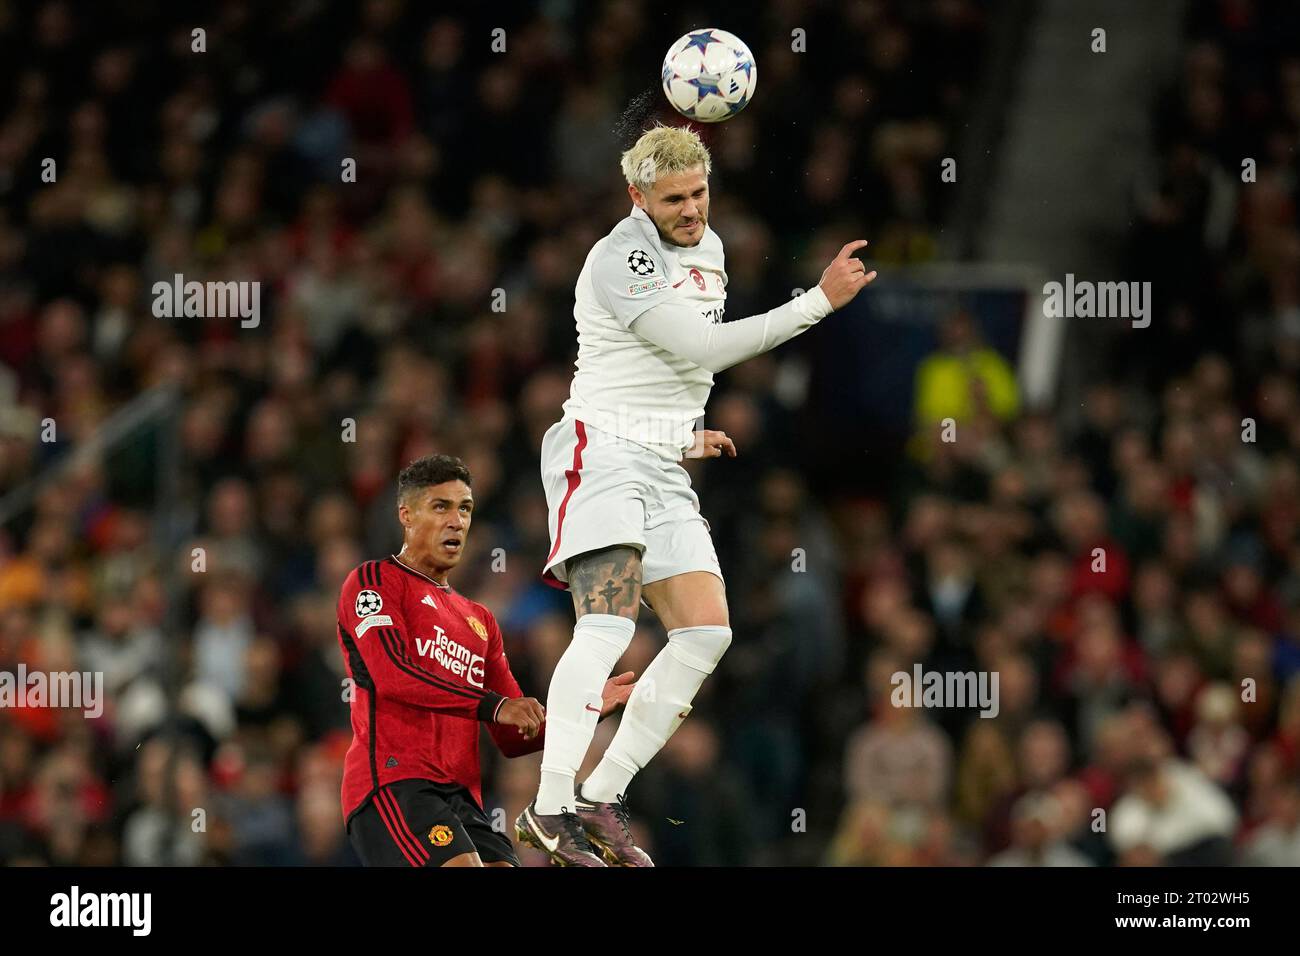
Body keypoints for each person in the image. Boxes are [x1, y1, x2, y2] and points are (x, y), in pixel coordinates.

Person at [517, 123, 876, 866]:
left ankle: (598, 796)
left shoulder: (708, 251)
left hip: (658, 457)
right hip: (602, 452)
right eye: (673, 197)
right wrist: (818, 302)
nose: (690, 209)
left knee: (707, 633)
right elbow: (703, 349)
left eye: (699, 192)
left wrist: (680, 431)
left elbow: (670, 367)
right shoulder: (623, 255)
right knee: (609, 629)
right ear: (637, 197)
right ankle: (548, 805)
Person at [336, 454, 634, 867]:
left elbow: (514, 736)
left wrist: (587, 711)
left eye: (465, 508)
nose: (456, 520)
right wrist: (495, 705)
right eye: (440, 507)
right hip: (394, 782)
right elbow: (393, 675)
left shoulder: (479, 620)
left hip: (463, 798)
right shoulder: (375, 581)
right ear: (406, 515)